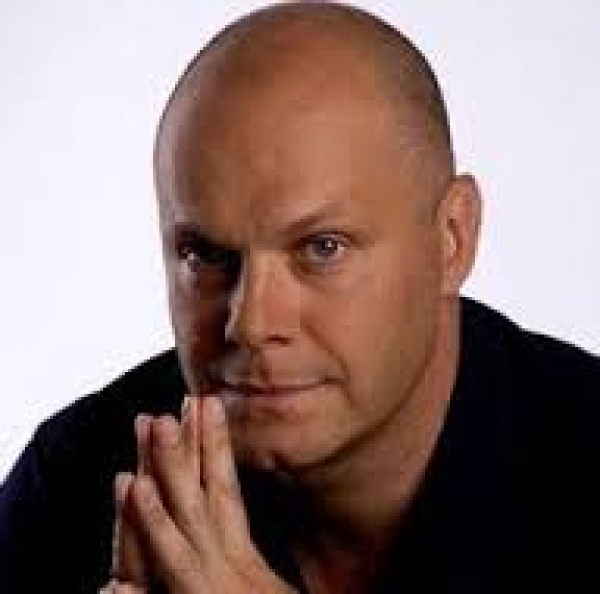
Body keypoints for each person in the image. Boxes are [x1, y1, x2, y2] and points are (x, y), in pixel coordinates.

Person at [1, 2, 599, 592]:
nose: (250, 324)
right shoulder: (79, 482)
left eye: (322, 248)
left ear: (452, 239)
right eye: (206, 255)